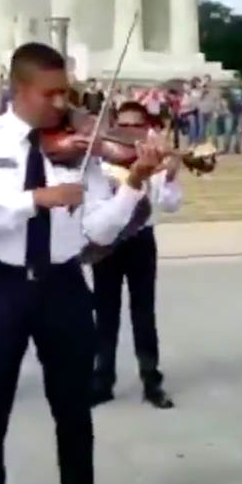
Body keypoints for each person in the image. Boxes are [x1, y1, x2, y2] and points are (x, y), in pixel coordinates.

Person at [0, 43, 155, 484]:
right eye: (51, 94)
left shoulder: (79, 149)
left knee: (75, 413)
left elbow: (98, 229)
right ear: (19, 90)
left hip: (63, 286)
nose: (63, 104)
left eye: (67, 92)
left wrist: (133, 185)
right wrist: (35, 199)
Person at [90, 102, 181, 410]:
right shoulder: (100, 162)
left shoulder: (155, 161)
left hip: (141, 240)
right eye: (123, 125)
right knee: (105, 313)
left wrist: (169, 177)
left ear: (146, 128)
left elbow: (170, 205)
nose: (129, 132)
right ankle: (102, 381)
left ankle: (151, 381)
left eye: (136, 126)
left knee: (144, 313)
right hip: (107, 242)